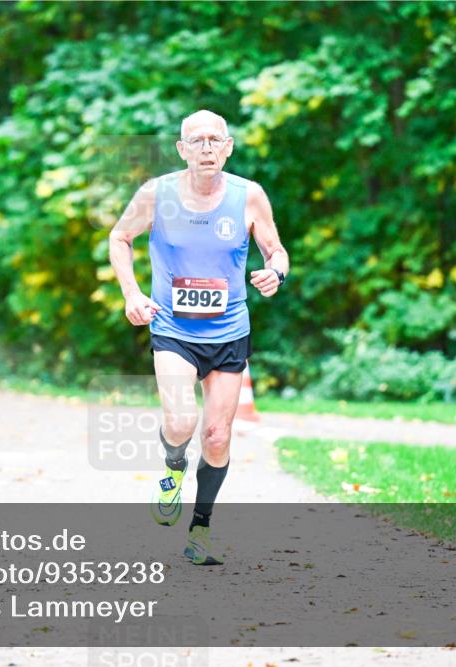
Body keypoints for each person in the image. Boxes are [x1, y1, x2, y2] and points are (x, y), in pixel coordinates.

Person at [109, 110, 289, 565]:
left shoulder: (250, 197)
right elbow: (119, 237)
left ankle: (201, 529)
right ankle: (173, 467)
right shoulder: (157, 194)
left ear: (228, 147)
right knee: (182, 422)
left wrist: (276, 274)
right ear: (182, 149)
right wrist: (132, 294)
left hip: (229, 330)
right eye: (197, 140)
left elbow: (277, 250)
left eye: (215, 140)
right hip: (172, 327)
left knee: (215, 434)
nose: (207, 148)